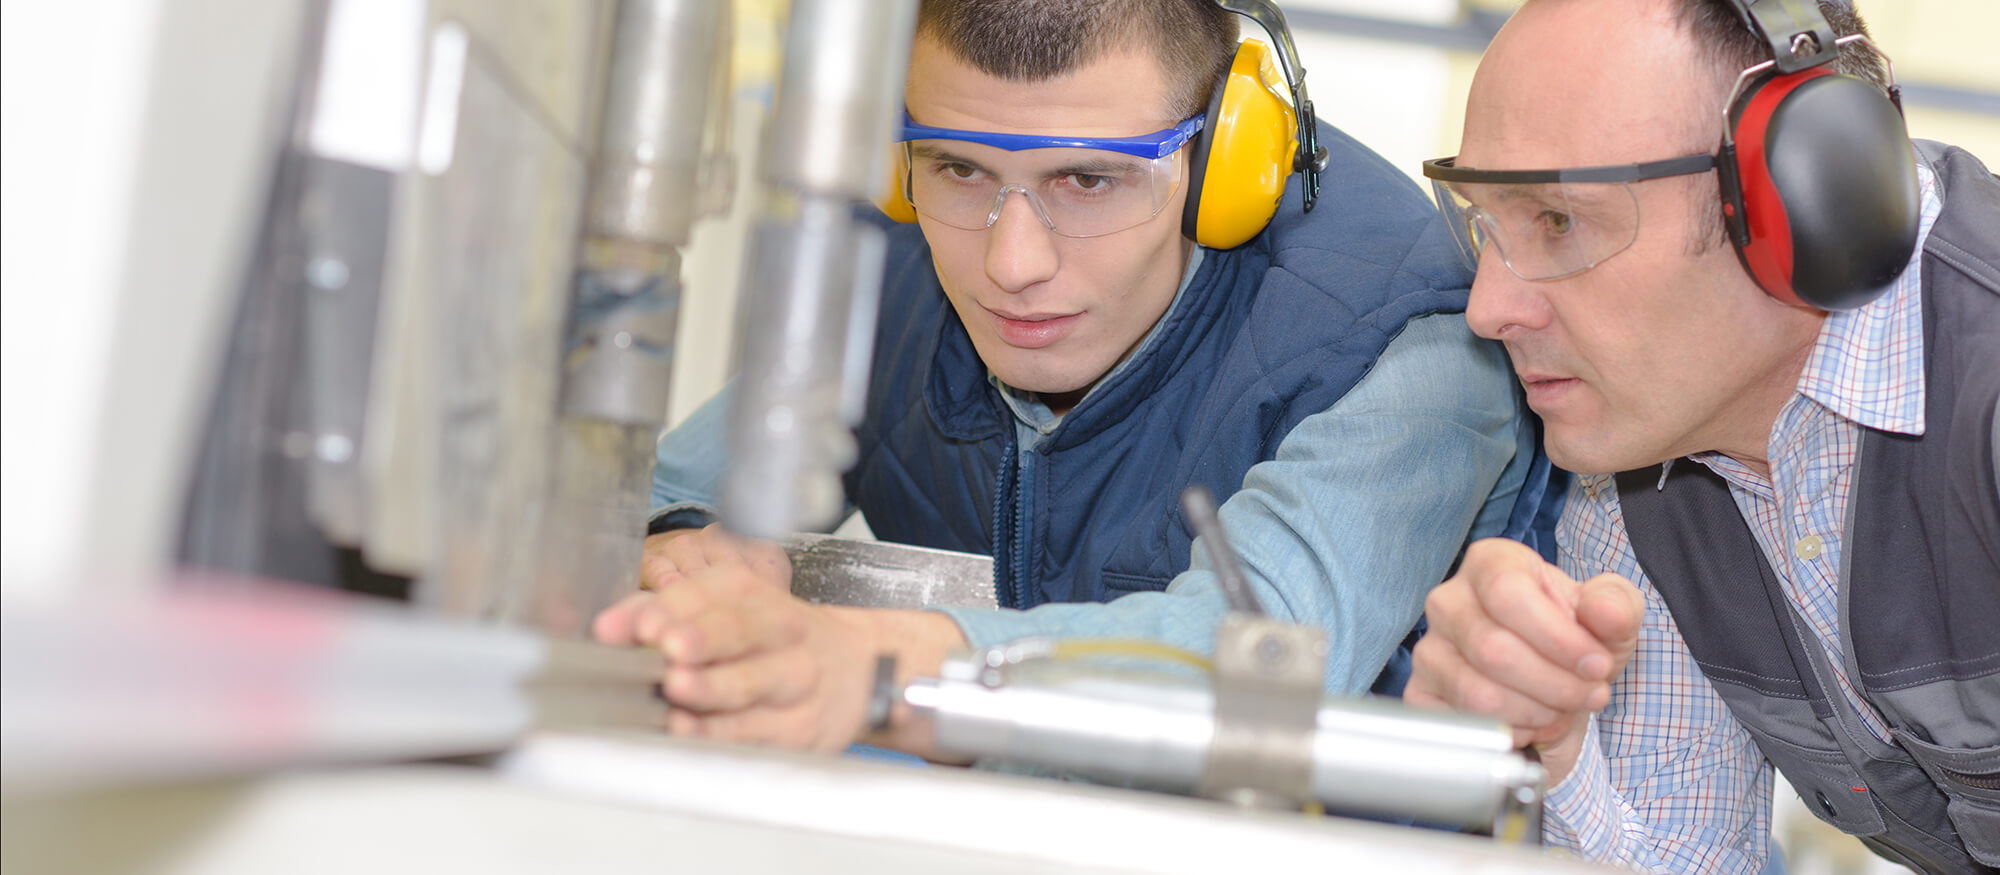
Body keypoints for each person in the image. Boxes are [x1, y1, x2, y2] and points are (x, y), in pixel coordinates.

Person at [595, 0, 1554, 760]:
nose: (1011, 264)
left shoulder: (1408, 343)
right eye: (959, 168)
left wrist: (881, 665)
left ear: (1225, 162)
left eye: (1088, 181)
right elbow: (649, 482)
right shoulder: (893, 262)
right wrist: (679, 544)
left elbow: (1258, 660)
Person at [1402, 0, 1999, 871]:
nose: (1489, 309)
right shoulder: (1639, 465)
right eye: (1483, 222)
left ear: (1812, 191)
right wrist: (1549, 750)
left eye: (1558, 222)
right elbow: (1684, 850)